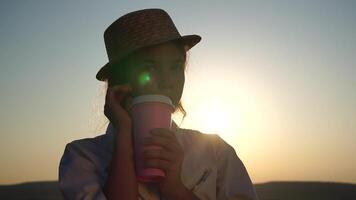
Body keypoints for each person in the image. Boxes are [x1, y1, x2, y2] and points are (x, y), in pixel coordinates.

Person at [58, 8, 259, 200]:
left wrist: (176, 189)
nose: (167, 81)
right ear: (119, 81)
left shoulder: (215, 151)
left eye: (175, 67)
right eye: (149, 68)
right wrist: (124, 143)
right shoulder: (83, 157)